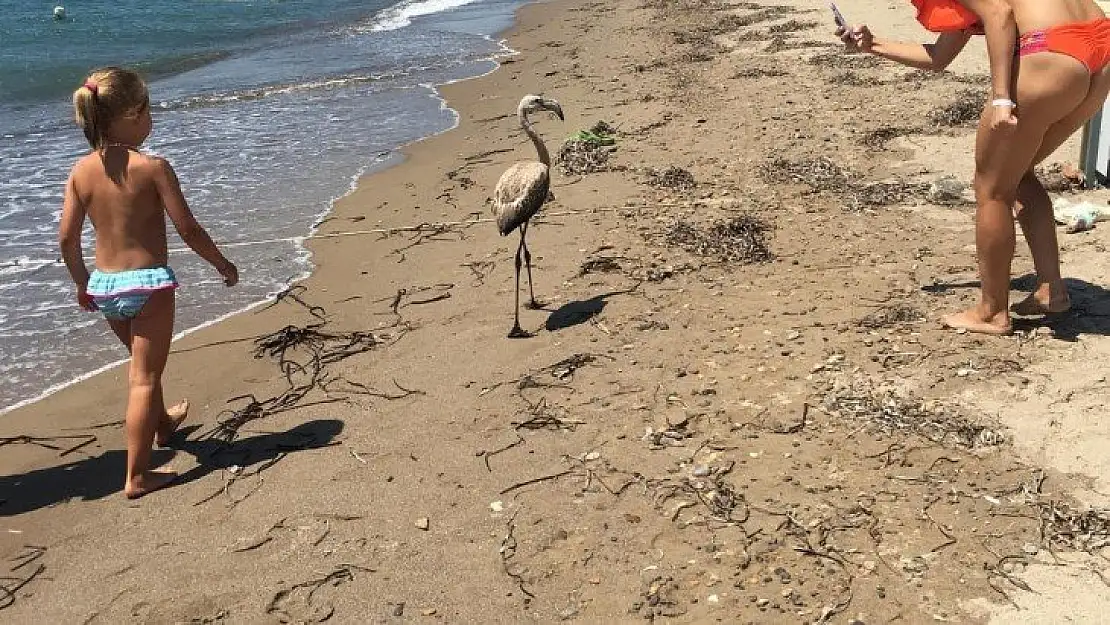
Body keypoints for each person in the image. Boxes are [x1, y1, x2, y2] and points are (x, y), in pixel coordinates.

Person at [837, 0, 1110, 334]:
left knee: (991, 188)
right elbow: (939, 57)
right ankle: (1051, 291)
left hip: (1050, 53)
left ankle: (992, 312)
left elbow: (999, 14)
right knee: (1016, 172)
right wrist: (872, 45)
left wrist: (1001, 98)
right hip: (1099, 45)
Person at [58, 67, 239, 498]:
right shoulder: (153, 167)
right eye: (149, 111)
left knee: (144, 368)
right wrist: (222, 264)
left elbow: (66, 239)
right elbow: (188, 229)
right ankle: (137, 475)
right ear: (134, 115)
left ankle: (163, 423)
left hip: (105, 287)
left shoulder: (80, 171)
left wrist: (83, 283)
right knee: (143, 378)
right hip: (148, 285)